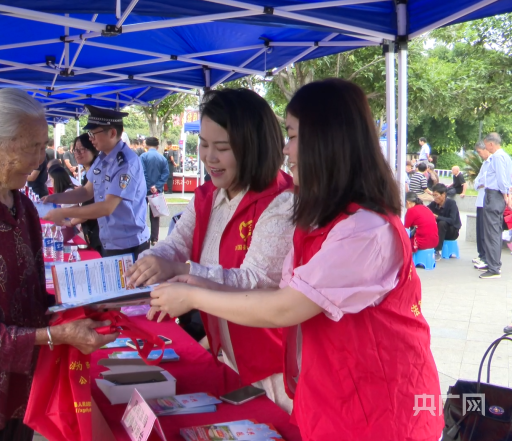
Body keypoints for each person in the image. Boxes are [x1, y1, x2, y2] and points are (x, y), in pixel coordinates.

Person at [148, 79, 442, 440]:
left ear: (329, 140)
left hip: (378, 410)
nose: (286, 150)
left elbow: (284, 307)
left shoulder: (366, 231)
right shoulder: (322, 218)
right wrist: (197, 282)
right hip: (332, 398)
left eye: (293, 136)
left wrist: (193, 294)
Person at [0, 89, 117, 439]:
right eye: (29, 147)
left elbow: (30, 297)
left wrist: (79, 308)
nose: (39, 160)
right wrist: (56, 335)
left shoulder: (22, 207)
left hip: (23, 387)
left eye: (42, 146)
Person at [126, 88, 295, 412]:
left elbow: (254, 281)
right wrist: (153, 260)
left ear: (253, 148)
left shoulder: (281, 201)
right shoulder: (209, 195)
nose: (208, 157)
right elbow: (178, 243)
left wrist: (183, 272)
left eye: (222, 148)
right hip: (228, 355)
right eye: (204, 145)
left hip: (274, 367)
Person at [42, 105, 150, 258]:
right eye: (89, 133)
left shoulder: (126, 163)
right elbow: (86, 191)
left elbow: (107, 207)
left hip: (129, 244)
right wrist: (55, 198)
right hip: (109, 241)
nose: (90, 138)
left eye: (93, 133)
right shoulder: (102, 157)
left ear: (112, 133)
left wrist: (64, 212)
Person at [478, 132, 512, 280]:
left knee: (491, 232)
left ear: (491, 144)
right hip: (498, 196)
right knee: (495, 231)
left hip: (494, 195)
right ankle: (494, 263)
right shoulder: (506, 156)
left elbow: (501, 178)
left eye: (486, 145)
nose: (486, 148)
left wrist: (505, 194)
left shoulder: (497, 157)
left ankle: (493, 268)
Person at [68, 134, 103, 255]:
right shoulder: (88, 174)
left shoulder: (98, 173)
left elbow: (90, 208)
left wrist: (69, 222)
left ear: (93, 149)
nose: (77, 153)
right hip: (92, 231)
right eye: (75, 150)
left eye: (81, 149)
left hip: (101, 235)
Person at [140, 137, 170, 246]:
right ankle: (154, 238)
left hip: (144, 190)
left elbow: (142, 173)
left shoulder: (143, 157)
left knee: (141, 214)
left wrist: (149, 185)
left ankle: (143, 237)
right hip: (157, 191)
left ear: (147, 145)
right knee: (155, 215)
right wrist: (156, 186)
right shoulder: (162, 158)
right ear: (157, 146)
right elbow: (165, 174)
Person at [427, 183, 461, 260]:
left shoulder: (451, 203)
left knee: (442, 223)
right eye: (433, 195)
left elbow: (452, 220)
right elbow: (425, 210)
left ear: (443, 195)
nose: (435, 198)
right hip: (438, 232)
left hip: (452, 232)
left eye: (436, 195)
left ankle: (437, 251)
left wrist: (437, 217)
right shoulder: (433, 204)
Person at [473, 142, 491, 270]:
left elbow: (486, 180)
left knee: (485, 231)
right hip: (480, 200)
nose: (480, 155)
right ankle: (481, 254)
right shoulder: (484, 164)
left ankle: (486, 257)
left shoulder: (493, 162)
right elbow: (476, 181)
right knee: (479, 230)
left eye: (480, 152)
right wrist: (479, 183)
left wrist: (481, 182)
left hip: (488, 201)